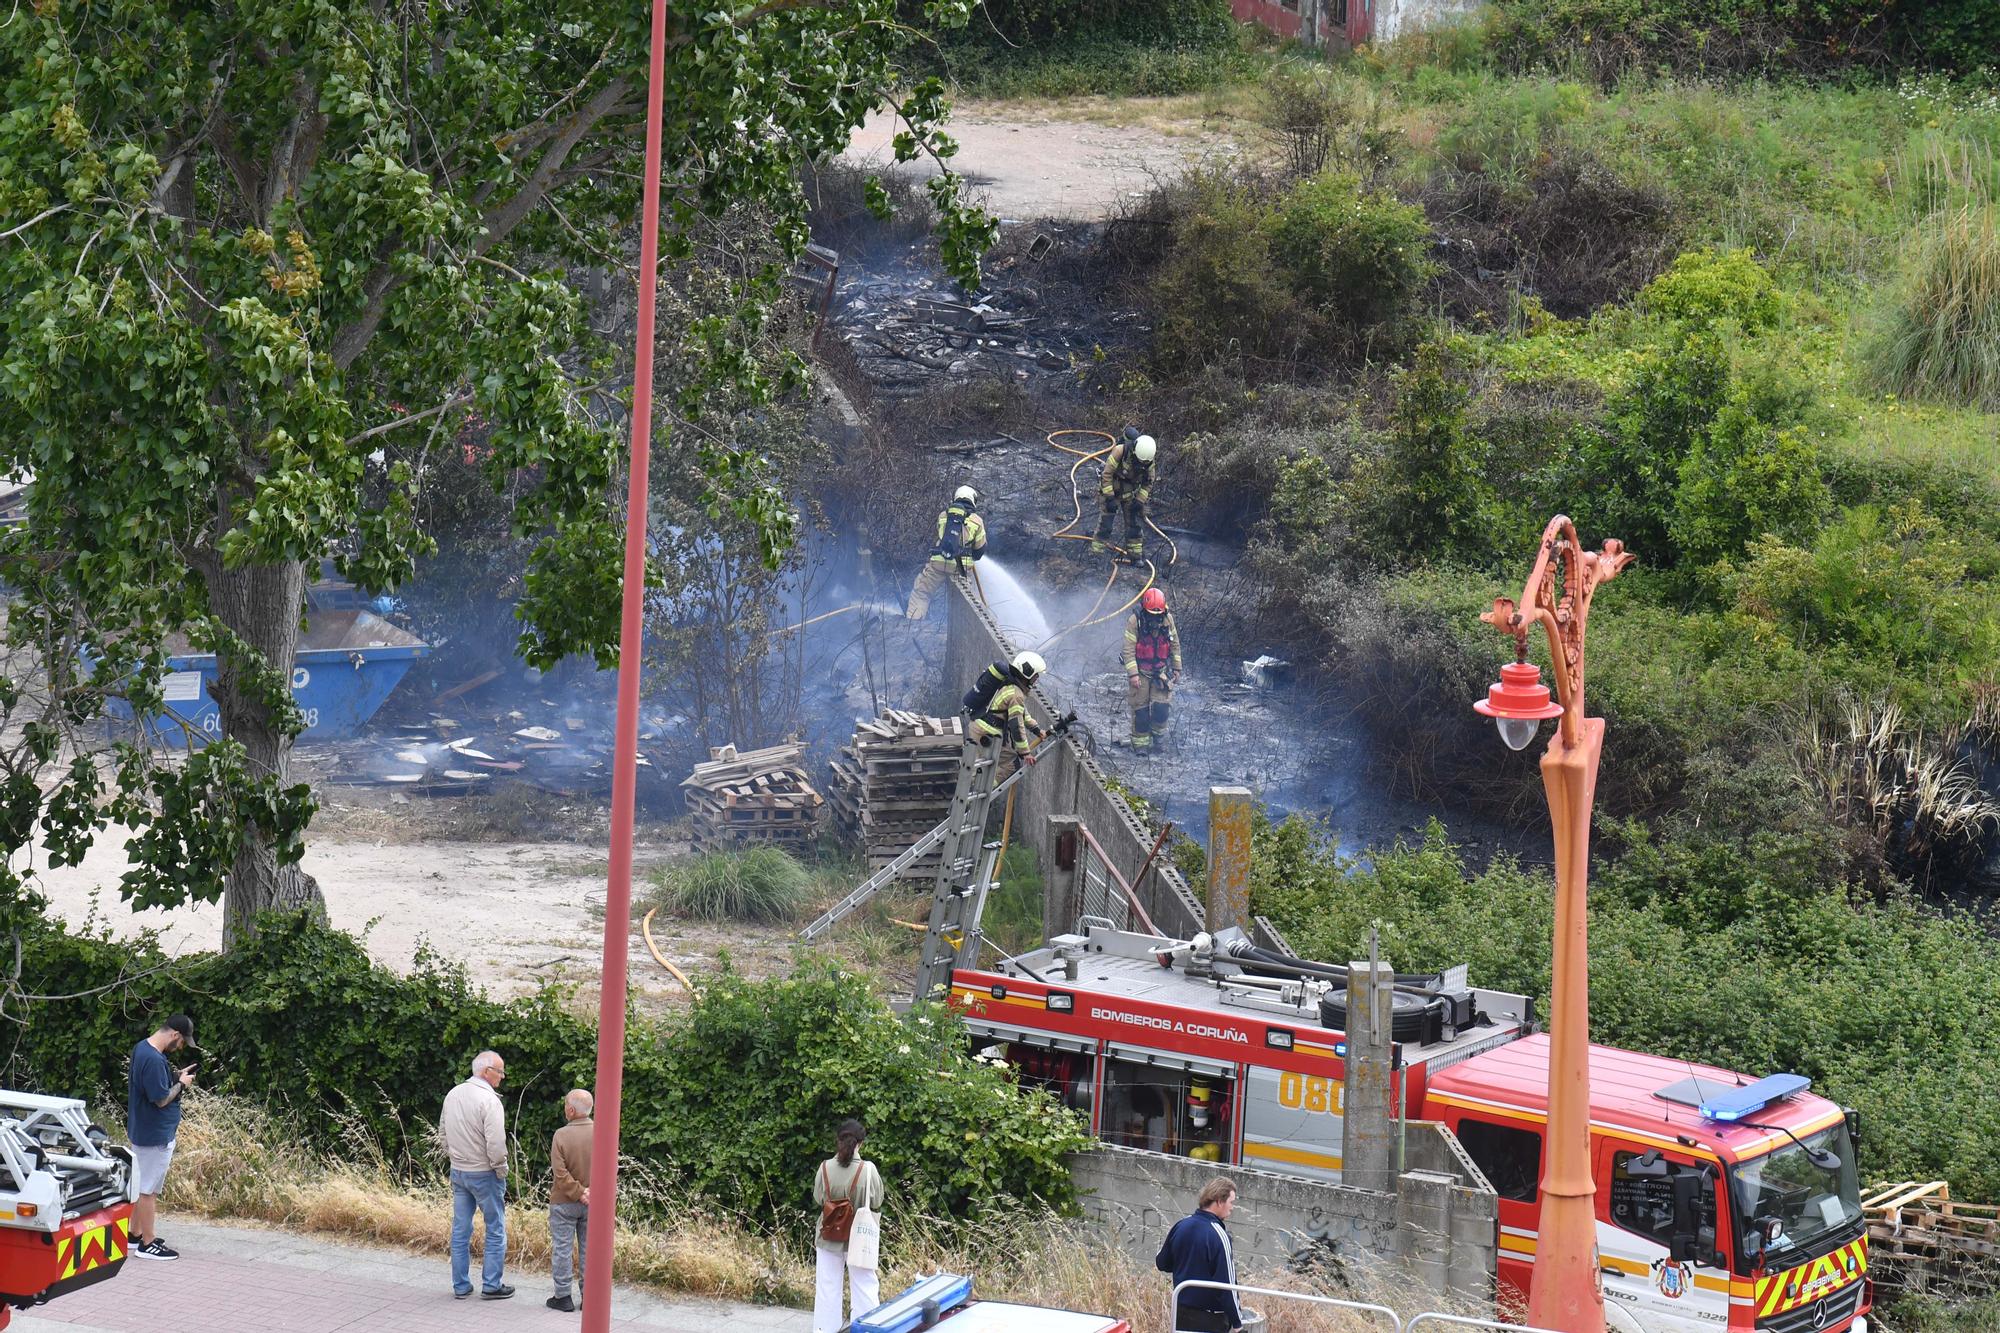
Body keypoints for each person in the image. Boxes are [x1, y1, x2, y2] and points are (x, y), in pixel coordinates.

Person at [442, 1049, 514, 1301]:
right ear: (487, 1072)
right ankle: (492, 1285)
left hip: (459, 1171)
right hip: (485, 1173)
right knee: (495, 1228)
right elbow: (496, 1143)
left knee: (461, 1228)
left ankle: (460, 1285)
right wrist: (501, 1169)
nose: (503, 1077)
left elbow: (443, 1133)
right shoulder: (490, 1101)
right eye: (500, 1071)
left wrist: (454, 1157)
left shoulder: (453, 1094)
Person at [126, 1014, 196, 1260]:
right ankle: (148, 1243)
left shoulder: (142, 1049)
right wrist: (183, 1084)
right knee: (148, 1191)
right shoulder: (154, 1059)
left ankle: (134, 1234)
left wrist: (175, 1077)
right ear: (175, 1035)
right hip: (153, 1135)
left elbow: (153, 1085)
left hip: (145, 1130)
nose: (181, 1047)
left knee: (143, 1185)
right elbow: (161, 1099)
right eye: (182, 1042)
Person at [811, 1118, 885, 1333]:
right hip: (859, 1238)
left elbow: (819, 1198)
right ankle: (868, 1329)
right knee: (865, 1288)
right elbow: (877, 1201)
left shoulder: (824, 1167)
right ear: (860, 1143)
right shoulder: (868, 1170)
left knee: (827, 1288)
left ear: (838, 1140)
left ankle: (825, 1330)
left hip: (827, 1235)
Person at [1156, 1177, 1244, 1333]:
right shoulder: (1219, 1234)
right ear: (1219, 1201)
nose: (1232, 1208)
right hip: (1210, 1319)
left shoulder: (1181, 1225)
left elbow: (1163, 1263)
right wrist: (1237, 1323)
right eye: (1231, 1202)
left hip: (1181, 1312)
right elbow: (1227, 1285)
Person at [906, 484, 987, 620]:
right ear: (972, 500)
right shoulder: (977, 521)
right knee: (966, 603)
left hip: (938, 564)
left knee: (922, 593)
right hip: (960, 569)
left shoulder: (943, 515)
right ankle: (963, 631)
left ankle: (913, 623)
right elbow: (979, 552)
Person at [545, 1088, 594, 1313]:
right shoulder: (603, 1132)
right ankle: (589, 1296)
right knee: (589, 1250)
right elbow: (612, 1167)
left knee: (563, 1249)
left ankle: (563, 1296)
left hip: (564, 1201)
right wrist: (590, 1193)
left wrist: (577, 1192)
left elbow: (560, 1172)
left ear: (571, 1110)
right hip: (593, 1202)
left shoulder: (561, 1135)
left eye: (566, 1105)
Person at [1122, 586, 1182, 751]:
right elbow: (1128, 649)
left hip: (1160, 672)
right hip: (1141, 672)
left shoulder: (1168, 620)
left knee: (1161, 709)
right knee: (1140, 711)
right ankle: (1140, 745)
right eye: (1152, 614)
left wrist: (1177, 668)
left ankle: (1158, 740)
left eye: (1158, 615)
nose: (1155, 619)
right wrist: (1133, 674)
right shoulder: (1135, 621)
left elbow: (1174, 644)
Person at [968, 651, 1045, 767]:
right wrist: (1025, 753)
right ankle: (986, 785)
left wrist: (1037, 730)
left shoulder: (1010, 683)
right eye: (1036, 675)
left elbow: (1023, 714)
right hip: (987, 732)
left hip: (979, 727)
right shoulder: (1016, 694)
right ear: (1028, 673)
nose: (1037, 679)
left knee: (980, 767)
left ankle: (975, 784)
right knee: (1011, 765)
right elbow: (1016, 726)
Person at [1092, 427, 1157, 560]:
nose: (1141, 465)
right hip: (1111, 489)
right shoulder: (1120, 451)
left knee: (1134, 525)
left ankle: (1135, 556)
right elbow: (1107, 474)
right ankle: (1096, 553)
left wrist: (1140, 500)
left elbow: (1148, 483)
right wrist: (1109, 498)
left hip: (1129, 494)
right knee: (1106, 522)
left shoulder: (1148, 462)